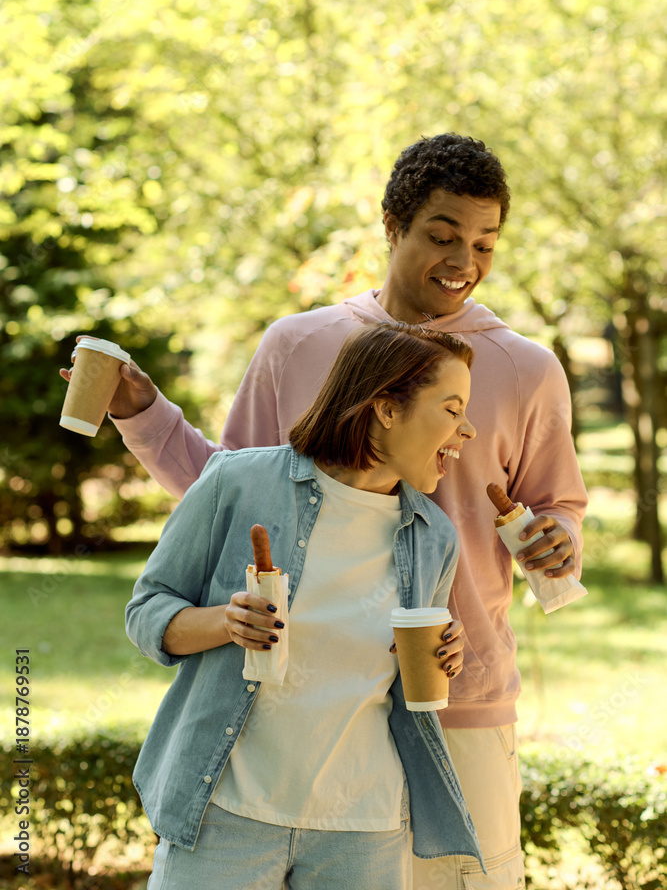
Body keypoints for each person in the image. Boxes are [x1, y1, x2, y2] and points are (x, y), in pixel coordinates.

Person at [62, 132, 588, 888]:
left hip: (455, 696)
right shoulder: (299, 344)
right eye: (442, 236)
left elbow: (557, 506)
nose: (463, 262)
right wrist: (143, 413)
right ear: (392, 226)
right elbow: (234, 492)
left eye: (484, 244)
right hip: (297, 708)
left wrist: (557, 539)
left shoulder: (527, 369)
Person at [125, 322, 482, 890]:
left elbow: (412, 678)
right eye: (452, 409)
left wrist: (445, 655)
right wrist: (226, 622)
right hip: (228, 813)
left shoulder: (432, 535)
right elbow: (147, 611)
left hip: (364, 827)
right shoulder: (237, 481)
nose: (468, 429)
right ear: (387, 408)